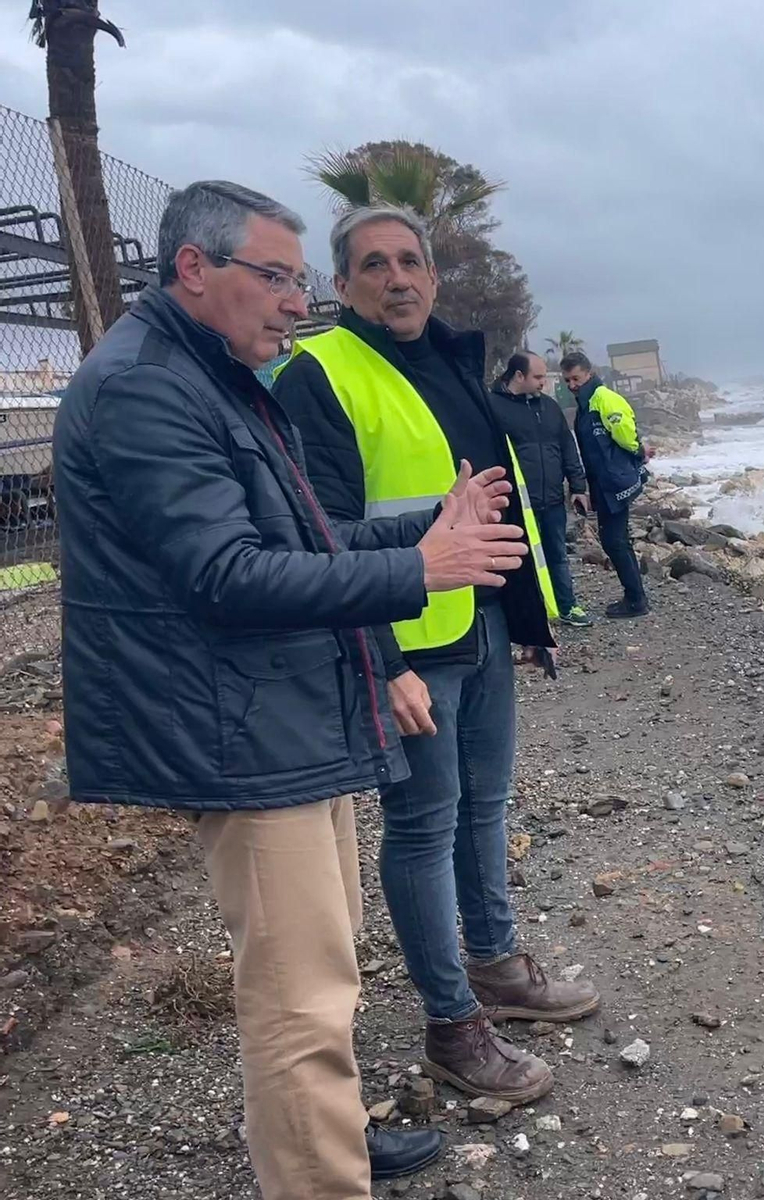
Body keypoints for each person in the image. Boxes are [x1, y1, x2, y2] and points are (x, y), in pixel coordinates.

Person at [53, 180, 531, 1200]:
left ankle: (328, 1133)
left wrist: (419, 530)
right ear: (194, 268)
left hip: (281, 712)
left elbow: (304, 539)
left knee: (323, 967)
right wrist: (420, 573)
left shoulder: (216, 377)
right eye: (274, 277)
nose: (292, 300)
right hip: (236, 728)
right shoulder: (145, 388)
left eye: (299, 279)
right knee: (298, 996)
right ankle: (318, 1175)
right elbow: (226, 577)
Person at [273, 204, 599, 1107]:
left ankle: (495, 967)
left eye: (410, 261)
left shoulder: (450, 363)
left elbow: (495, 505)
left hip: (482, 625)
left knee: (486, 805)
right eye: (373, 265)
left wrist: (530, 617)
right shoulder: (321, 374)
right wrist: (383, 661)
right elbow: (323, 538)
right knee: (422, 826)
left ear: (434, 276)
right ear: (341, 286)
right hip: (409, 647)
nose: (398, 278)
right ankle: (453, 1027)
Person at [490, 351, 592, 627]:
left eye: (545, 377)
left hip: (553, 499)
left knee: (557, 554)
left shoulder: (549, 407)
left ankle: (567, 607)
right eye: (538, 377)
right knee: (518, 560)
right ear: (519, 376)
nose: (543, 383)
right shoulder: (492, 407)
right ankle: (526, 616)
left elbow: (566, 446)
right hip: (515, 502)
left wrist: (578, 485)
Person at [560, 351, 651, 618]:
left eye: (575, 378)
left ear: (588, 373)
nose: (572, 385)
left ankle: (636, 601)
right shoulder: (586, 403)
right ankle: (636, 597)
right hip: (604, 482)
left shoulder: (603, 398)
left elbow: (625, 431)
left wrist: (638, 451)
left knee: (614, 541)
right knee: (616, 540)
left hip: (614, 481)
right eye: (567, 381)